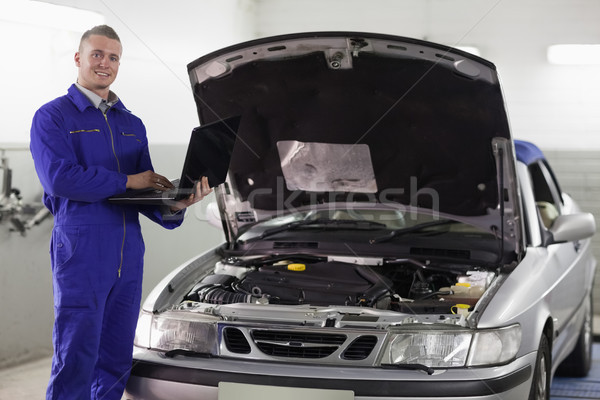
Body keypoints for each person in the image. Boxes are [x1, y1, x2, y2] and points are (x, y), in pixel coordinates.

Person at [29, 25, 211, 400]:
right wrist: (129, 181)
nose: (105, 63)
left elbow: (145, 191)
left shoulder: (132, 124)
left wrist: (176, 203)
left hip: (128, 254)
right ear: (78, 58)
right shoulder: (54, 117)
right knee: (76, 354)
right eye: (97, 54)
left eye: (113, 57)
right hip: (81, 250)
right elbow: (61, 180)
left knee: (115, 358)